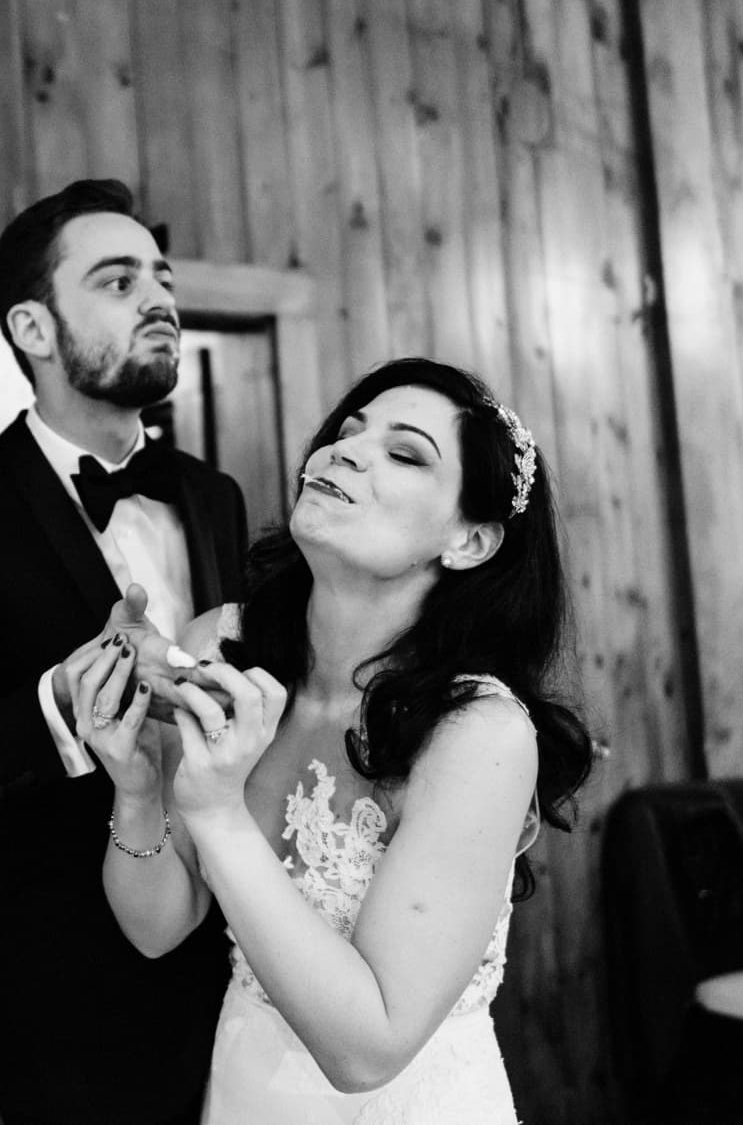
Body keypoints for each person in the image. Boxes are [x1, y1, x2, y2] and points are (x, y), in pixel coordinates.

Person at [69, 357, 595, 1123]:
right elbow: (156, 926)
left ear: (471, 541)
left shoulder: (480, 733)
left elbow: (367, 1048)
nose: (345, 450)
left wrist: (216, 810)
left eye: (405, 452)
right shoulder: (222, 647)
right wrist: (140, 784)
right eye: (348, 432)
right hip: (244, 1085)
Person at [0, 179, 250, 1125]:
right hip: (76, 996)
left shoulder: (215, 496)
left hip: (247, 953)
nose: (159, 300)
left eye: (161, 279)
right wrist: (62, 701)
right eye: (118, 282)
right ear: (35, 328)